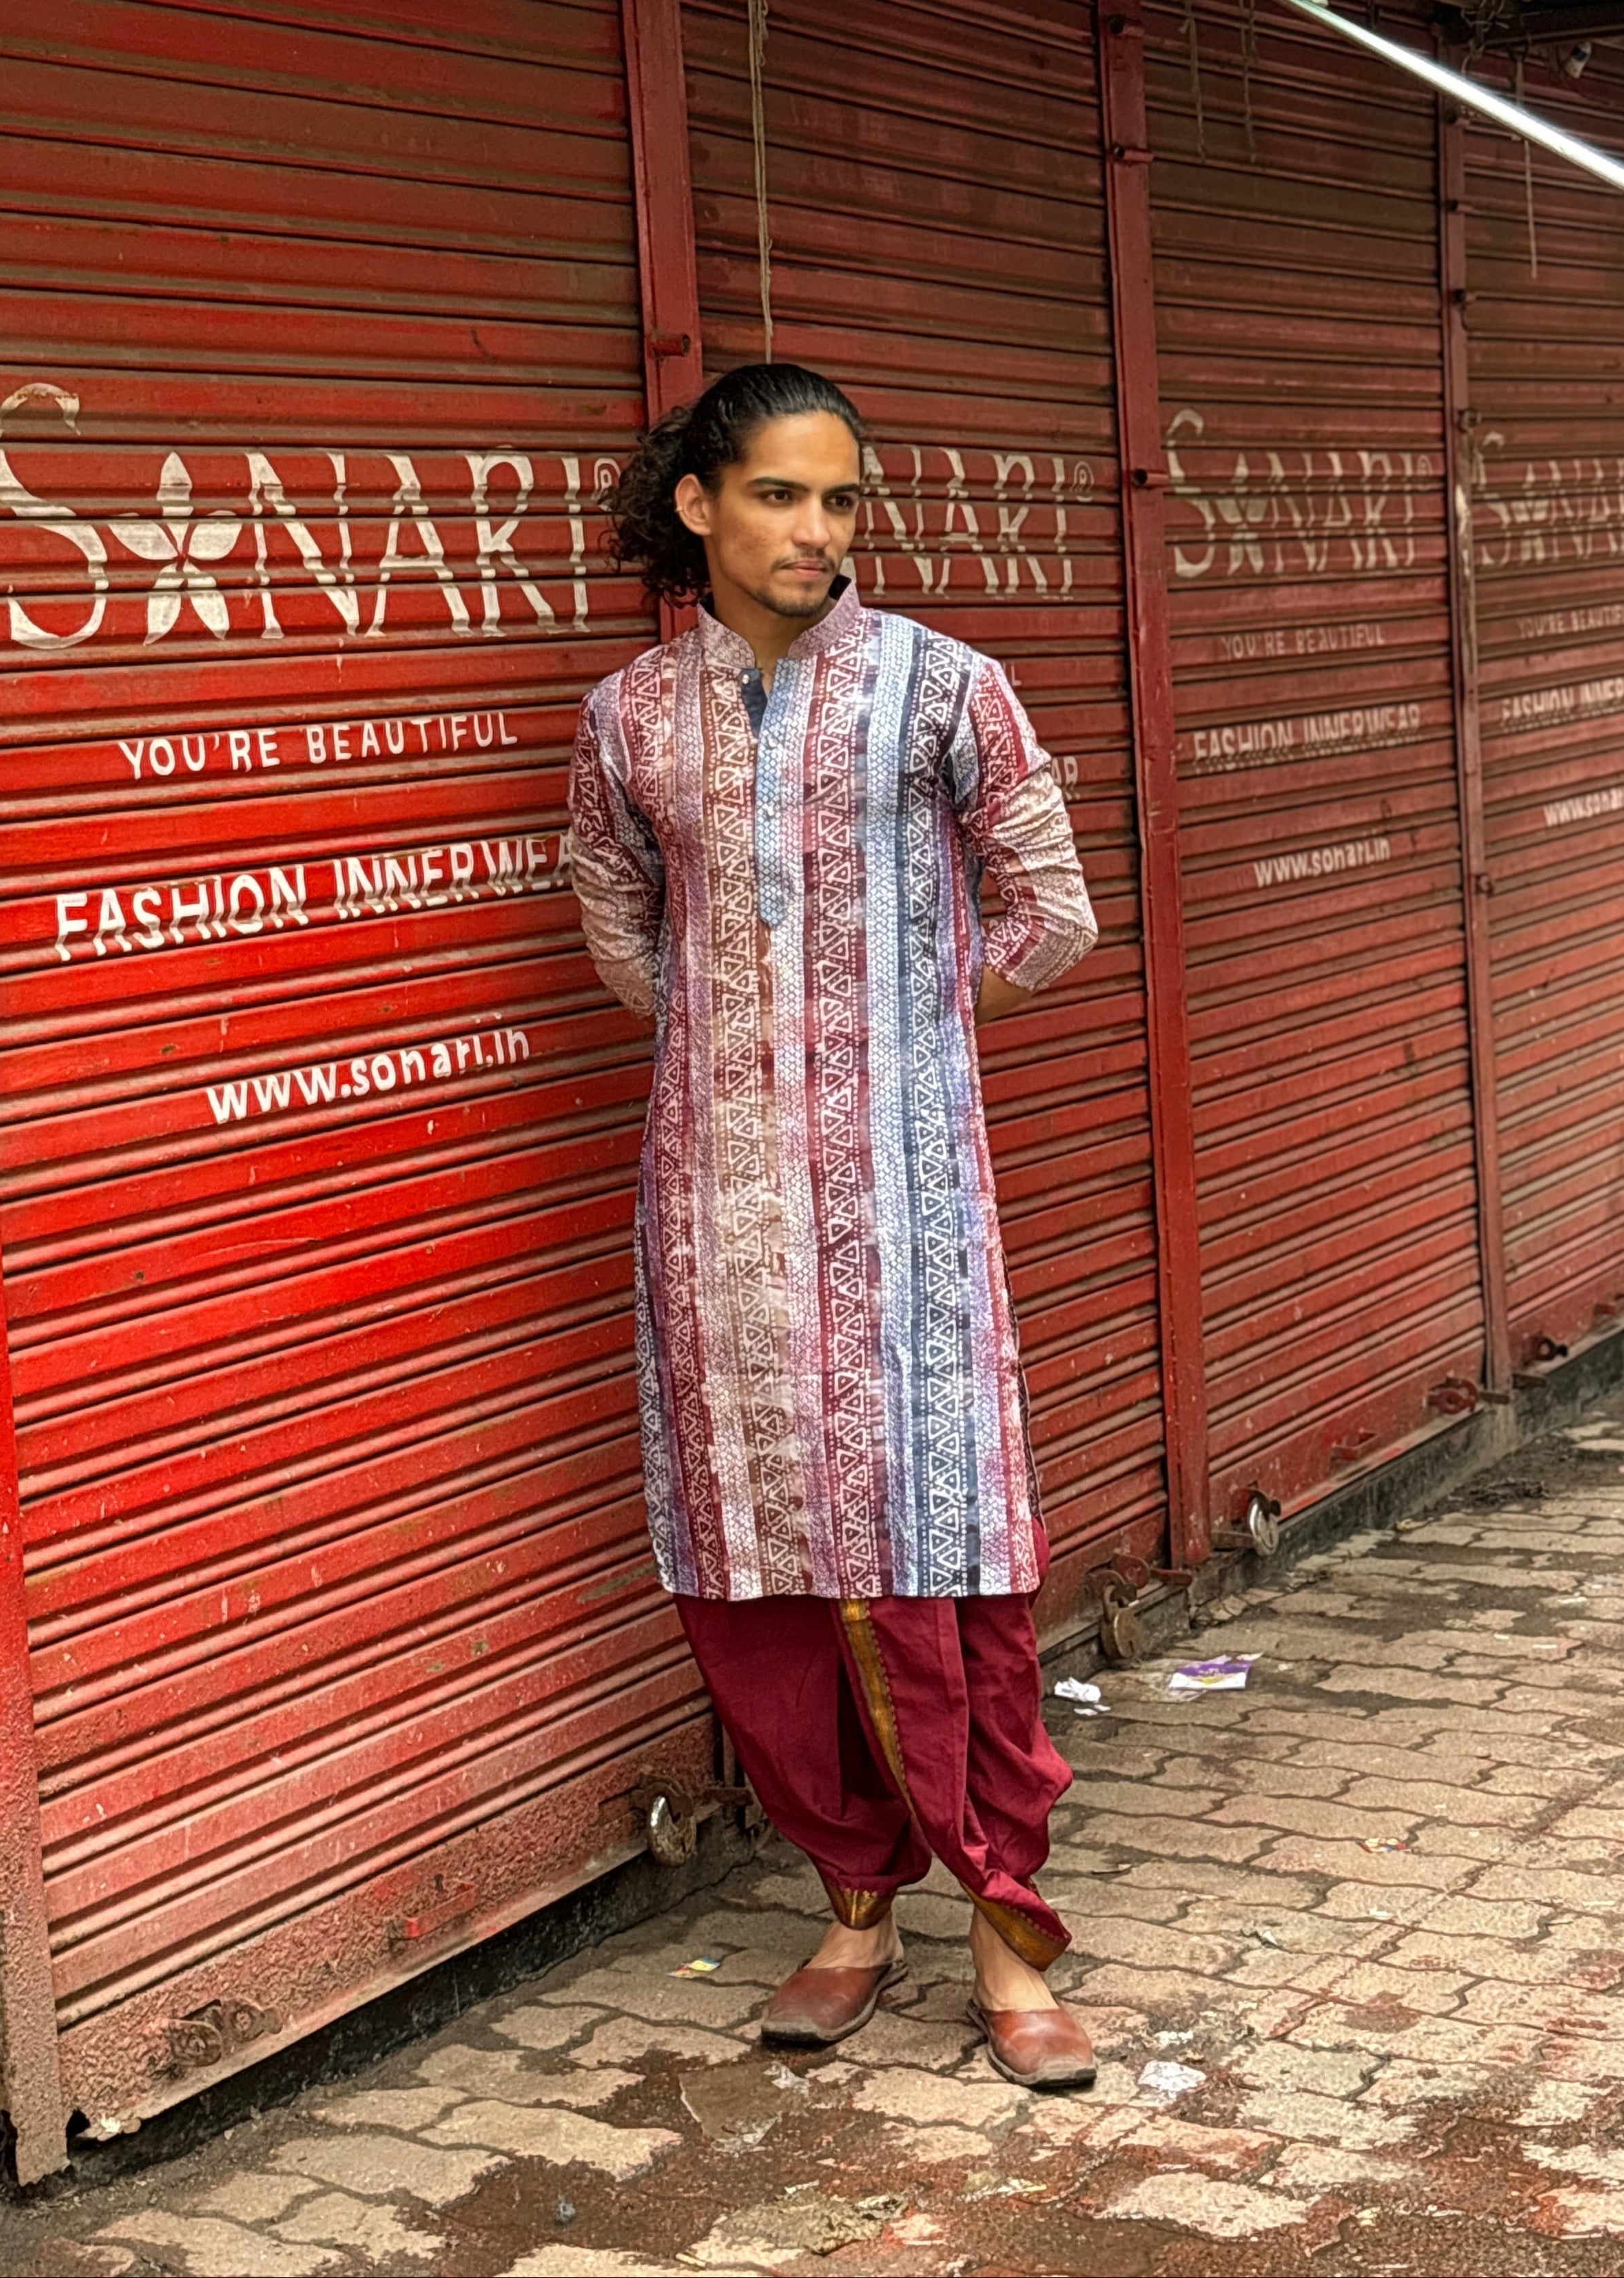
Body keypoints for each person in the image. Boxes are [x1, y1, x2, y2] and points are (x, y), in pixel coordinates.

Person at [567, 363, 1098, 2090]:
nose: (816, 531)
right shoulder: (631, 720)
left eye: (843, 500)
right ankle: (853, 1904)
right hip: (713, 1219)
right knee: (763, 1574)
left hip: (914, 1210)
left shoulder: (947, 690)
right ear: (700, 505)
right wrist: (737, 1063)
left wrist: (906, 1034)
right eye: (782, 496)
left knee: (945, 1555)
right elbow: (620, 931)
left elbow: (1054, 908)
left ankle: (1008, 1929)